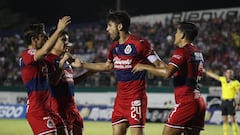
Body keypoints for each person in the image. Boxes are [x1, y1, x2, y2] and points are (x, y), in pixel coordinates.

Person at [71, 10, 162, 135]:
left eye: (109, 26)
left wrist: (145, 67)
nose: (107, 29)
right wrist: (82, 65)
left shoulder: (140, 44)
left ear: (119, 27)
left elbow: (160, 66)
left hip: (135, 98)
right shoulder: (114, 47)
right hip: (120, 100)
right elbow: (107, 66)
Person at [132, 21, 206, 135]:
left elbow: (167, 73)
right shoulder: (197, 51)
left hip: (186, 102)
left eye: (177, 32)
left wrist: (144, 67)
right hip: (199, 102)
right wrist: (154, 58)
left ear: (182, 35)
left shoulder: (182, 51)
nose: (175, 35)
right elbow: (171, 69)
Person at [19, 16, 71, 135]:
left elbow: (53, 81)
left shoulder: (44, 61)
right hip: (37, 110)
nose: (47, 38)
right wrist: (58, 30)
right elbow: (44, 51)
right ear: (34, 39)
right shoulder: (26, 55)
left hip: (48, 109)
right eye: (43, 36)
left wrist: (61, 63)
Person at [45, 29, 95, 135]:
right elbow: (53, 82)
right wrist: (62, 63)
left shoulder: (65, 61)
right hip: (57, 108)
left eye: (67, 40)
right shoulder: (47, 60)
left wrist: (87, 74)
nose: (67, 43)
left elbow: (70, 81)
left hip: (72, 108)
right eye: (63, 40)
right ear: (53, 41)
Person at [203, 69, 240, 135]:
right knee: (224, 120)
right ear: (226, 74)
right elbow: (214, 76)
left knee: (233, 120)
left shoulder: (236, 82)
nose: (229, 73)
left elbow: (239, 93)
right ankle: (225, 134)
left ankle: (236, 133)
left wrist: (238, 104)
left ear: (232, 74)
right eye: (228, 72)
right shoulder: (223, 80)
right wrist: (206, 71)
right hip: (223, 102)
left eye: (230, 72)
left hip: (231, 102)